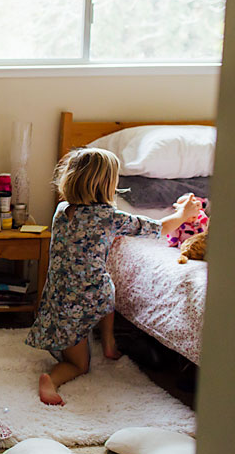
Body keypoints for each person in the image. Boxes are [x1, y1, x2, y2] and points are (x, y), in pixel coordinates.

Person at [25, 147, 200, 406]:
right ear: (107, 184)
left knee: (104, 286)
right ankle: (52, 379)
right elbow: (159, 228)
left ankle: (107, 343)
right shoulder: (109, 217)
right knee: (79, 363)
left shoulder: (62, 210)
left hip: (58, 297)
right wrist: (184, 214)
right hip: (83, 302)